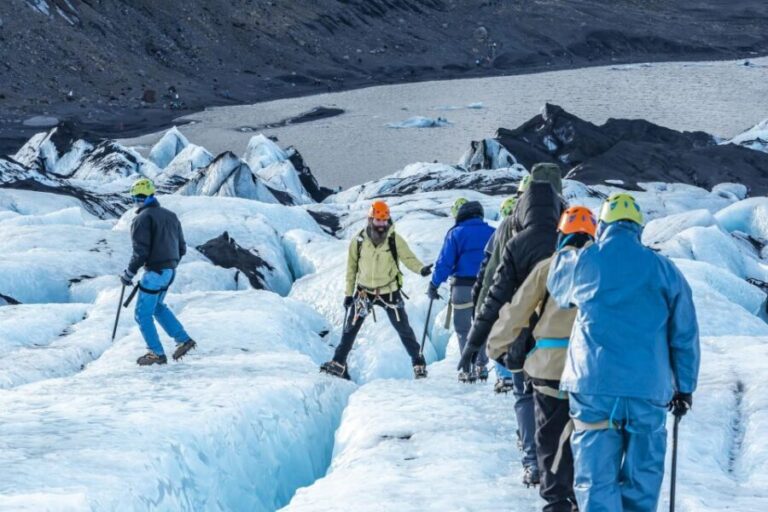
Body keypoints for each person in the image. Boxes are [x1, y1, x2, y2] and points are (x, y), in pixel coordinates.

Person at [547, 193, 700, 512]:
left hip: (593, 387)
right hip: (647, 389)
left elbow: (558, 289)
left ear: (602, 225)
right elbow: (683, 334)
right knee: (643, 478)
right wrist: (684, 388)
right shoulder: (664, 269)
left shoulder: (585, 260)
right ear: (638, 228)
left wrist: (569, 245)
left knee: (595, 478)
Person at [487, 206, 597, 512]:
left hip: (549, 369)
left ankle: (556, 501)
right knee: (588, 435)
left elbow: (517, 310)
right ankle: (583, 495)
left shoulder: (548, 268)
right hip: (592, 368)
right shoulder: (603, 270)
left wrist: (496, 347)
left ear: (561, 234)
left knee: (550, 438)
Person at [462, 163, 565, 487]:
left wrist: (477, 340)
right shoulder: (570, 228)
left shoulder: (510, 230)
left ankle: (533, 462)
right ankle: (561, 468)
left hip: (519, 329)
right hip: (566, 335)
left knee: (524, 395)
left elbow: (492, 281)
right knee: (560, 400)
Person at [320, 200, 433, 380]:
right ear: (371, 219)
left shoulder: (394, 239)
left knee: (403, 329)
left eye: (384, 220)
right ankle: (338, 363)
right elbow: (352, 268)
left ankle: (418, 364)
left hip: (390, 291)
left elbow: (408, 258)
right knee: (350, 329)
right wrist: (349, 294)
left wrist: (421, 269)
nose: (382, 224)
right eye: (378, 220)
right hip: (364, 292)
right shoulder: (359, 241)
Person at [119, 178, 196, 366]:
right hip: (169, 272)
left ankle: (156, 353)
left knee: (142, 314)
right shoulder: (171, 216)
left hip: (154, 272)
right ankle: (183, 339)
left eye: (140, 197)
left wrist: (129, 274)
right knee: (157, 307)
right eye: (135, 197)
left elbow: (140, 252)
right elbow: (182, 248)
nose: (137, 200)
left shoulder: (141, 219)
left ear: (150, 196)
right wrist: (170, 262)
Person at [428, 198, 494, 382]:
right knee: (483, 326)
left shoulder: (456, 233)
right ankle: (481, 366)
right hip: (486, 288)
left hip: (462, 287)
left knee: (463, 328)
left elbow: (444, 263)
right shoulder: (492, 232)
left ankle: (466, 369)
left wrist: (434, 284)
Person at [474, 195, 519, 392]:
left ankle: (505, 375)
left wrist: (481, 297)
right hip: (529, 288)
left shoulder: (501, 231)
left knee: (500, 330)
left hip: (503, 288)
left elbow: (488, 265)